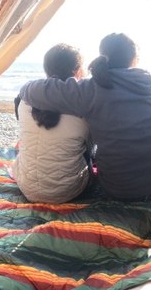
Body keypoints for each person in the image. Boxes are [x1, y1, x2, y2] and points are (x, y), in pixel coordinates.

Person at [18, 33, 151, 201]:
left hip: (121, 189)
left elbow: (37, 91)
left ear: (102, 57)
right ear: (135, 60)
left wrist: (24, 88)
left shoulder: (91, 90)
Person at [11, 43, 93, 203]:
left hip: (26, 186)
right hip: (69, 191)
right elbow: (91, 148)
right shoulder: (83, 108)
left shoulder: (25, 100)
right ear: (77, 71)